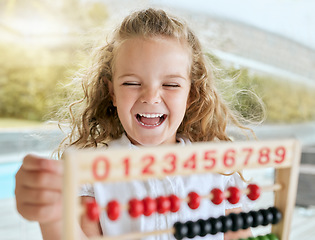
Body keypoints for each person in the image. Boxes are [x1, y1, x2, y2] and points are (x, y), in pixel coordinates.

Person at [15, 8, 255, 240]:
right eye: (131, 83)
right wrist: (53, 216)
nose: (151, 97)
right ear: (112, 93)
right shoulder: (93, 171)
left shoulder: (218, 170)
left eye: (171, 85)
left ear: (191, 94)